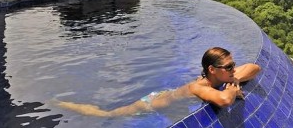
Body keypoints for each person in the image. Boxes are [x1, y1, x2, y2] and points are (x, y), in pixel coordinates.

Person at [55, 47, 260, 117]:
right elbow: (224, 100)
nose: (234, 69)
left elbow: (254, 67)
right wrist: (233, 87)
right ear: (212, 70)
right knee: (107, 115)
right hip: (151, 103)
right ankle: (62, 104)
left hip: (171, 95)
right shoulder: (198, 87)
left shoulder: (223, 75)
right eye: (229, 67)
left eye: (233, 65)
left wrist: (236, 78)